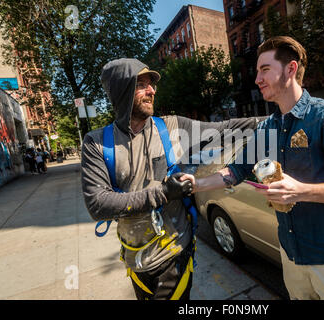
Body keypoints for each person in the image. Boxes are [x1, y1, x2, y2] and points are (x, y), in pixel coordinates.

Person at [182, 36, 324, 300]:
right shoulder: (267, 128)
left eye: (265, 69)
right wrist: (193, 184)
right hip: (291, 255)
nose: (257, 79)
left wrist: (300, 191)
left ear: (291, 69)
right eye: (257, 71)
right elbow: (235, 172)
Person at [81, 58, 261, 300]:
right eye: (141, 84)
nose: (152, 90)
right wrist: (164, 193)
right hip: (136, 259)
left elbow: (224, 129)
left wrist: (270, 121)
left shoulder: (172, 127)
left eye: (152, 85)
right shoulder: (97, 143)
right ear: (122, 90)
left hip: (175, 253)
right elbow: (98, 204)